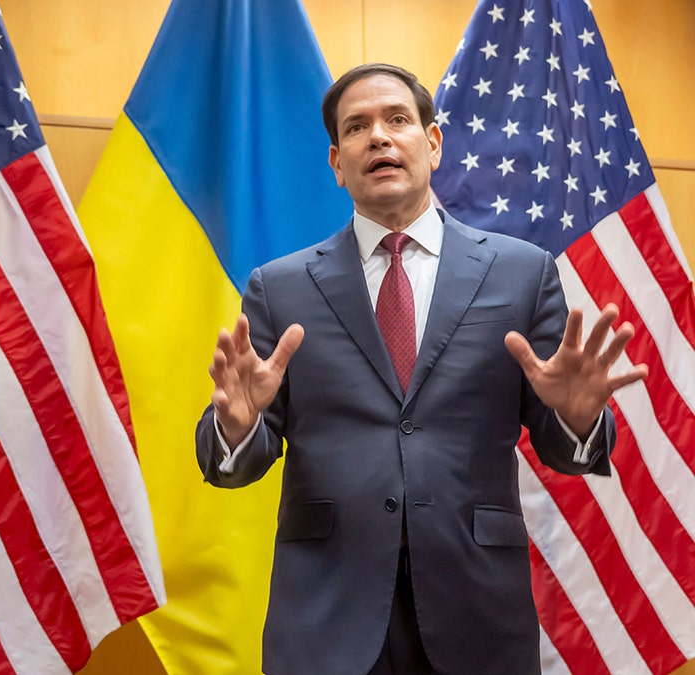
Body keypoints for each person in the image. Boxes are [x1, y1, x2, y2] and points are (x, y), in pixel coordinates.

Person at [195, 63, 647, 675]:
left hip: (477, 611)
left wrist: (577, 418)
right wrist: (236, 427)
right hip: (327, 614)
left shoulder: (522, 273)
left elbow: (569, 452)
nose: (378, 137)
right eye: (357, 127)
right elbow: (231, 468)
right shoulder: (280, 289)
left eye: (397, 120)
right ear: (336, 162)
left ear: (432, 144)